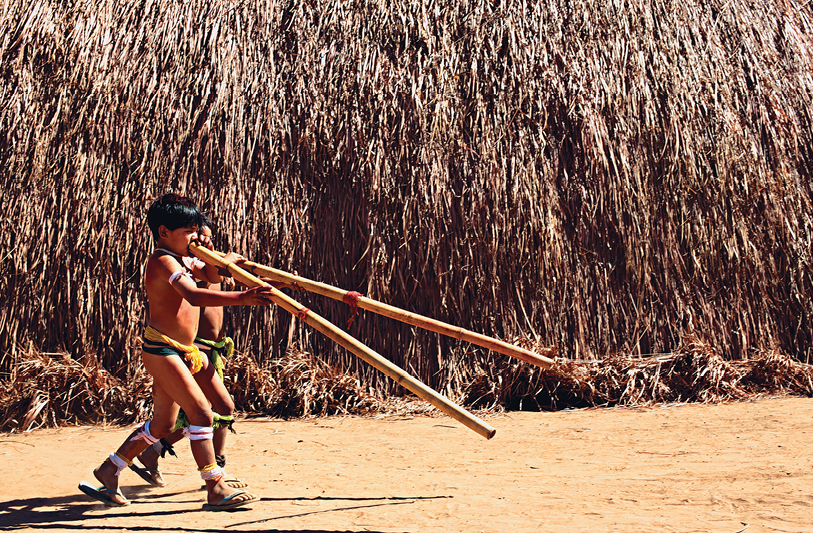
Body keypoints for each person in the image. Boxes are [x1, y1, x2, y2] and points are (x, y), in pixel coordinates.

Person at [79, 194, 274, 511]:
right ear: (163, 232)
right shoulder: (163, 260)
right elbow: (194, 296)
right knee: (201, 413)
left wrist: (217, 260)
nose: (194, 237)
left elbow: (211, 277)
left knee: (162, 426)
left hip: (181, 351)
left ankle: (110, 469)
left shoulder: (185, 259)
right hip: (162, 350)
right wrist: (244, 297)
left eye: (196, 230)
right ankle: (214, 486)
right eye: (188, 231)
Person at [129, 223, 249, 489]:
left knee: (199, 414)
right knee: (199, 414)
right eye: (196, 237)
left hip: (204, 351)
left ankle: (134, 458)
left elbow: (233, 277)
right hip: (191, 348)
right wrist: (236, 284)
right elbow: (199, 290)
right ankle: (215, 477)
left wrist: (282, 285)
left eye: (206, 238)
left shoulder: (206, 264)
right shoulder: (185, 267)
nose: (202, 242)